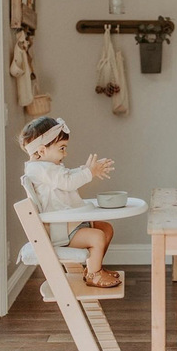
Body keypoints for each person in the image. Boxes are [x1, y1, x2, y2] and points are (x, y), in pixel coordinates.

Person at [19, 116, 121, 288]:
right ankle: (94, 275)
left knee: (106, 228)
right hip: (59, 230)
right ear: (42, 150)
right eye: (62, 148)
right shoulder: (39, 169)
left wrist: (87, 170)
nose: (65, 153)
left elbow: (66, 177)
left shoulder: (48, 169)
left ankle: (93, 269)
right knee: (97, 237)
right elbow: (68, 182)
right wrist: (89, 172)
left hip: (68, 225)